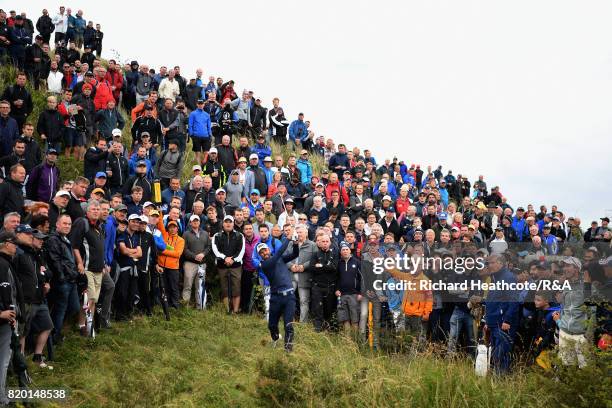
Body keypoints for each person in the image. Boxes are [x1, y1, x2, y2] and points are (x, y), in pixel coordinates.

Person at [257, 234, 300, 351]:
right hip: (276, 298)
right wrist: (288, 239)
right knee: (272, 325)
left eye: (265, 249)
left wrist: (295, 244)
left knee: (288, 325)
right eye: (261, 252)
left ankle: (288, 349)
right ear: (260, 256)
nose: (264, 252)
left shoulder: (279, 258)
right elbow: (279, 252)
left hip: (289, 296)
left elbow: (295, 254)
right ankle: (276, 338)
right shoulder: (265, 265)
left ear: (269, 249)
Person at [69, 200, 106, 335]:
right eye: (93, 209)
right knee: (88, 298)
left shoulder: (99, 226)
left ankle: (89, 326)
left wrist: (103, 264)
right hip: (87, 268)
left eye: (98, 209)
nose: (96, 211)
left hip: (98, 269)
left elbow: (100, 248)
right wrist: (79, 263)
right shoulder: (82, 223)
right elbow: (75, 246)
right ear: (87, 211)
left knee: (94, 299)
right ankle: (81, 325)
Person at [46, 214, 80, 345]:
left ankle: (56, 332)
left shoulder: (65, 238)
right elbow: (55, 261)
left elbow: (68, 261)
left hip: (71, 280)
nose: (67, 226)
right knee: (60, 310)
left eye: (69, 224)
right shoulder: (54, 239)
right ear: (57, 224)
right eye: (64, 223)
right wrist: (62, 278)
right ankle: (54, 337)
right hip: (63, 281)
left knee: (74, 307)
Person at [554, 257, 591, 368]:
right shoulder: (565, 285)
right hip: (565, 332)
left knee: (585, 370)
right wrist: (559, 326)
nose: (565, 268)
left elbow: (592, 311)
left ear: (576, 269)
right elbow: (563, 308)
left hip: (581, 334)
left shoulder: (586, 286)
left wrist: (589, 334)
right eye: (564, 266)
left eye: (568, 266)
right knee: (566, 368)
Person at [212, 215, 245, 313]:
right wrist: (224, 258)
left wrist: (233, 259)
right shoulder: (217, 235)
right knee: (224, 288)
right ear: (223, 223)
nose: (228, 223)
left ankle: (235, 311)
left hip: (236, 266)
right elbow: (215, 250)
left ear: (233, 223)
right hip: (222, 265)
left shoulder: (240, 235)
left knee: (236, 288)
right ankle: (227, 310)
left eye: (230, 222)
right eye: (226, 222)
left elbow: (241, 250)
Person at [0, 230, 19, 405]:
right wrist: (3, 313)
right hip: (2, 320)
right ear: (6, 243)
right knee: (3, 360)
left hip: (6, 318)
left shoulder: (6, 263)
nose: (16, 248)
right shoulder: (2, 264)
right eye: (14, 244)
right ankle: (2, 400)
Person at [182, 215, 210, 306]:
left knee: (200, 286)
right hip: (190, 263)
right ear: (190, 223)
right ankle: (185, 306)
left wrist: (203, 254)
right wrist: (194, 256)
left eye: (197, 220)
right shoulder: (186, 234)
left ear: (199, 222)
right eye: (193, 221)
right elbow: (184, 249)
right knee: (187, 285)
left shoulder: (205, 233)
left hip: (202, 264)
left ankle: (200, 306)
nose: (195, 222)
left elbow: (208, 247)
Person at [336, 242, 362, 332]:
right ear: (341, 252)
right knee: (345, 319)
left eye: (347, 249)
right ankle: (348, 342)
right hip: (342, 294)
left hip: (354, 294)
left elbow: (362, 278)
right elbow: (337, 278)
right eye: (343, 250)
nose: (345, 251)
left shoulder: (357, 262)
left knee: (355, 319)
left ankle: (355, 340)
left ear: (350, 251)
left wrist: (360, 293)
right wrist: (337, 289)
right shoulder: (339, 263)